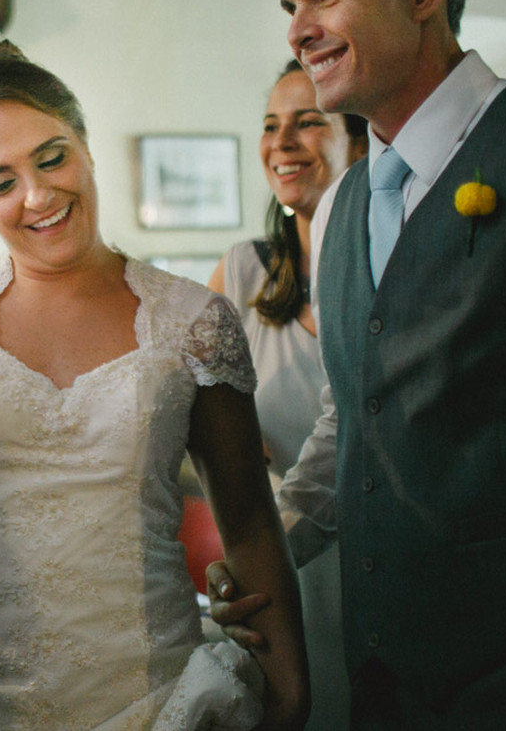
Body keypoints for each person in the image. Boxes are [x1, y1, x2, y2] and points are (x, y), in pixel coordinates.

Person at [0, 39, 308, 730]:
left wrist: (291, 695)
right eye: (0, 182)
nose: (39, 196)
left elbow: (251, 521)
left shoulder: (194, 319)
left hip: (150, 696)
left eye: (52, 158)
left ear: (85, 146)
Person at [209, 0, 506, 729]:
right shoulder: (341, 205)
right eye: (290, 8)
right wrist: (265, 548)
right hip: (385, 693)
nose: (299, 31)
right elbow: (353, 421)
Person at [207, 59, 366, 731]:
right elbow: (182, 427)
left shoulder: (388, 265)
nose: (282, 143)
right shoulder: (243, 272)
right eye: (271, 126)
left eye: (308, 122)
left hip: (382, 561)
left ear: (359, 141)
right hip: (281, 563)